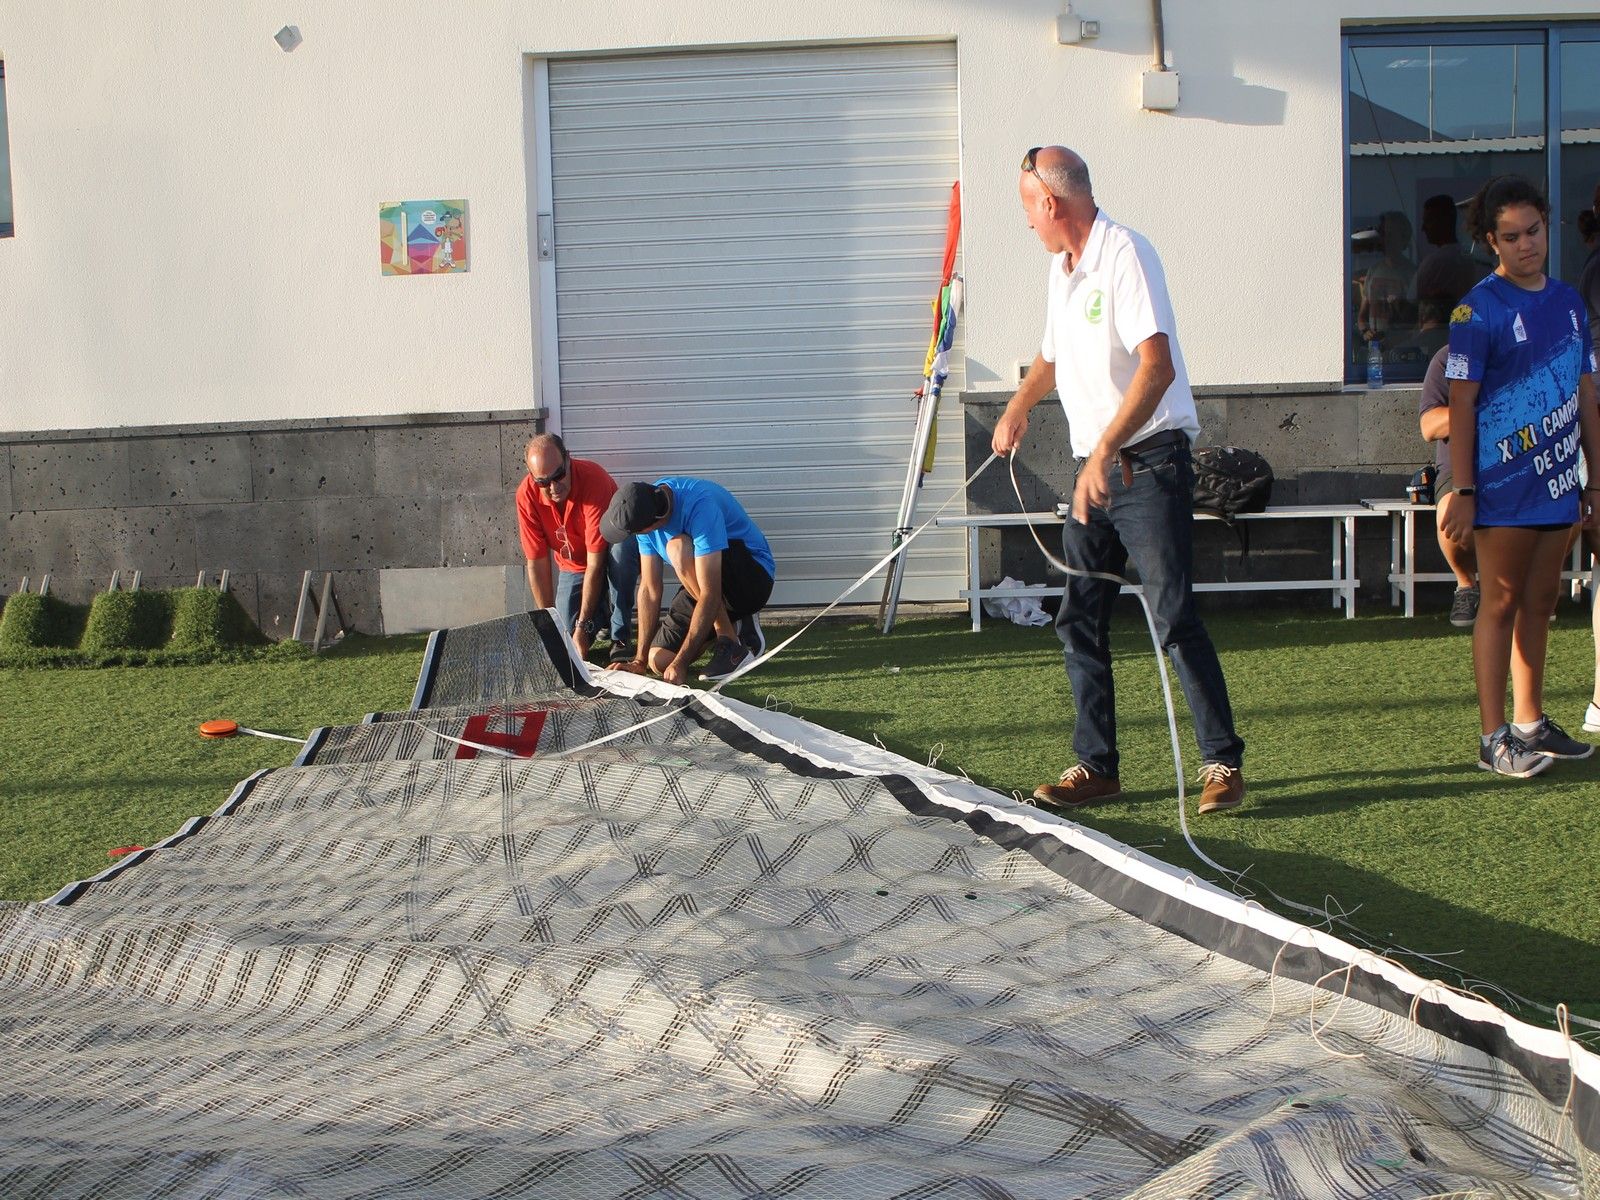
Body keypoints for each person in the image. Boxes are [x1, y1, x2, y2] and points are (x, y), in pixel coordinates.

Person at [992, 145, 1245, 815]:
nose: (1025, 223)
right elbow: (1050, 354)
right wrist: (1017, 408)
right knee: (1079, 618)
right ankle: (1096, 767)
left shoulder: (1126, 254)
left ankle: (1222, 763)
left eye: (1026, 208)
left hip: (1149, 464)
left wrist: (1104, 451)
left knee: (1172, 615)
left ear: (1051, 203)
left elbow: (1155, 367)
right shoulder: (1061, 269)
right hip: (1095, 473)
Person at [1439, 174, 1600, 777]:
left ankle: (1531, 722)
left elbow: (1587, 396)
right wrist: (1465, 489)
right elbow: (1460, 403)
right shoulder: (1475, 309)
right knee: (1499, 602)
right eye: (1511, 236)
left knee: (1539, 602)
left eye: (1533, 231)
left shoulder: (1568, 301)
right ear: (1490, 241)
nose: (1526, 244)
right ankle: (1492, 738)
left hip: (1560, 484)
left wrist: (1595, 482)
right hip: (1501, 486)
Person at [600, 477, 773, 685]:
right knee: (660, 660)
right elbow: (649, 588)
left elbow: (710, 592)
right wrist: (640, 661)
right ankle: (734, 623)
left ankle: (730, 643)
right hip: (703, 581)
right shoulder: (646, 507)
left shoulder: (700, 505)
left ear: (652, 523)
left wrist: (681, 662)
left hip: (751, 580)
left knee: (677, 547)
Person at [515, 433, 639, 662]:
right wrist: (550, 628)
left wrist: (582, 628)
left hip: (606, 554)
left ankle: (620, 635)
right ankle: (600, 614)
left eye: (558, 475)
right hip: (573, 564)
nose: (553, 487)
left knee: (622, 552)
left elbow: (596, 563)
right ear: (532, 477)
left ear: (568, 459)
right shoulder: (525, 496)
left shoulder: (594, 479)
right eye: (542, 482)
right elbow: (537, 563)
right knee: (564, 634)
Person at [1418, 346, 1479, 626]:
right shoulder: (1447, 357)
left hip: (1520, 460)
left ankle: (1535, 586)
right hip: (1459, 468)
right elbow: (1429, 426)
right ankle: (1467, 585)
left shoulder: (1524, 352)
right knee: (1448, 518)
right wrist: (1479, 408)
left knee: (1571, 516)